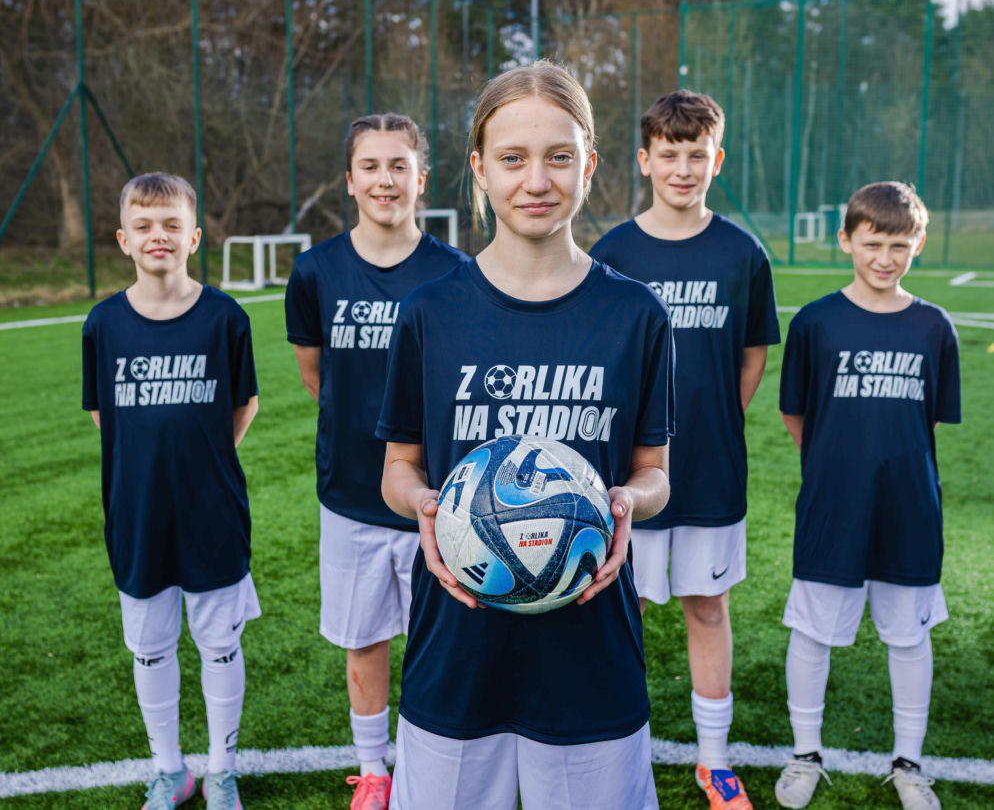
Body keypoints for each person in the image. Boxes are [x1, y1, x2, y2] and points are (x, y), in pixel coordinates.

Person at [376, 60, 674, 810]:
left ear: (591, 164)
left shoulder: (635, 314)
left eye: (559, 156)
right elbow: (398, 468)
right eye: (512, 158)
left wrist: (629, 502)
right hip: (457, 646)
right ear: (478, 168)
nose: (535, 180)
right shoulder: (430, 312)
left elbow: (655, 472)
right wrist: (425, 505)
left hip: (590, 651)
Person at [590, 89, 779, 810]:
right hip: (628, 478)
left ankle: (713, 757)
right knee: (622, 611)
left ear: (716, 159)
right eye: (668, 154)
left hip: (708, 473)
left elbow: (753, 356)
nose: (682, 167)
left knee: (706, 607)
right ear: (644, 160)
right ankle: (621, 746)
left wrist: (712, 423)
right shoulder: (613, 251)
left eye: (696, 154)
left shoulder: (741, 252)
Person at [284, 114, 466, 810]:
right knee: (364, 641)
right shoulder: (316, 270)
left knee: (437, 641)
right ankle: (373, 770)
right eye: (370, 166)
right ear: (350, 181)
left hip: (435, 495)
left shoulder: (455, 272)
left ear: (422, 179)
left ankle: (423, 761)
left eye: (399, 166)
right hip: (352, 494)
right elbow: (316, 376)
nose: (385, 179)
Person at [775, 181, 960, 810]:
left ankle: (909, 761)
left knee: (909, 636)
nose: (885, 257)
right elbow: (798, 418)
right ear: (846, 239)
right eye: (873, 243)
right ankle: (805, 753)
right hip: (833, 505)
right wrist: (839, 468)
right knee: (813, 630)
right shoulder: (815, 323)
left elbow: (926, 425)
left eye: (900, 245)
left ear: (919, 245)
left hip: (909, 508)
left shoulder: (935, 326)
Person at [81, 172, 260, 810]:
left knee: (219, 642)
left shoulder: (225, 318)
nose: (159, 236)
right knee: (151, 646)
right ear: (124, 239)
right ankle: (169, 770)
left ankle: (220, 770)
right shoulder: (102, 325)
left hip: (212, 509)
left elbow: (244, 406)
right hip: (136, 511)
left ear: (194, 238)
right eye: (146, 225)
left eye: (172, 225)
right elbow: (106, 418)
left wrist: (199, 460)